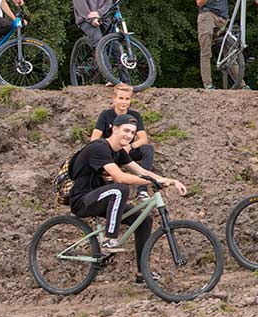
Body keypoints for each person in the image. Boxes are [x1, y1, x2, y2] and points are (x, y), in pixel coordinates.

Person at [69, 116, 188, 270]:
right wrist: (151, 182)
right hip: (82, 200)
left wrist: (169, 180)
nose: (129, 135)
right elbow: (120, 177)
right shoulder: (99, 147)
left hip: (102, 198)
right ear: (114, 129)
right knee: (120, 189)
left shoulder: (119, 152)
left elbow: (142, 171)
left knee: (144, 221)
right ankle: (109, 239)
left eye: (132, 133)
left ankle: (142, 273)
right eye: (126, 130)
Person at [192, 0, 258, 89]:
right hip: (206, 15)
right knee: (206, 49)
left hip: (223, 17)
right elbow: (198, 2)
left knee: (230, 50)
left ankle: (241, 85)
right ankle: (208, 85)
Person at [89, 82, 155, 171]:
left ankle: (143, 181)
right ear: (114, 98)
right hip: (110, 151)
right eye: (121, 98)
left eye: (127, 99)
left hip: (126, 150)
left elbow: (143, 139)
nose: (124, 102)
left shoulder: (135, 115)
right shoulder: (105, 115)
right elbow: (94, 139)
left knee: (148, 149)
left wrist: (129, 147)